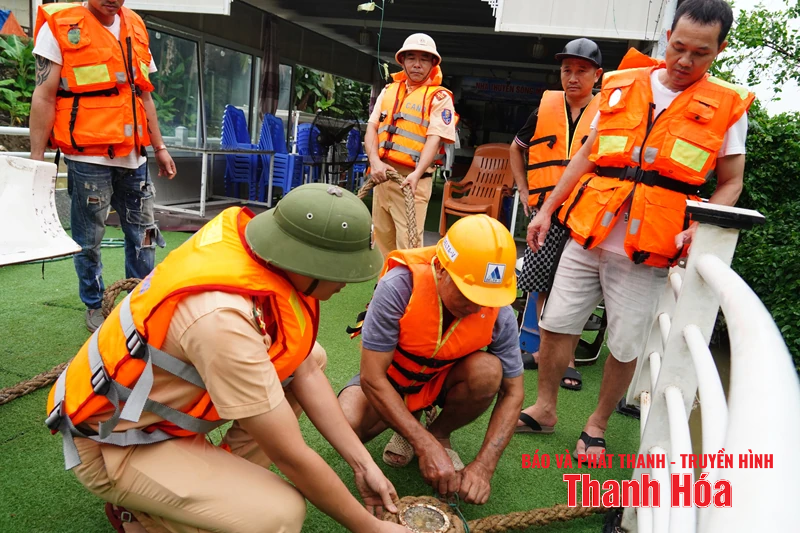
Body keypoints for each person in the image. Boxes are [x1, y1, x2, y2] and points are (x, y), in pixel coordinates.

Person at [44, 184, 410, 533]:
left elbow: (307, 370)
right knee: (280, 515)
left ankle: (212, 481)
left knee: (311, 355)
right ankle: (143, 513)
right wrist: (371, 527)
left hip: (157, 418)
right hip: (117, 443)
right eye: (343, 270)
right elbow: (291, 456)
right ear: (309, 262)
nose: (348, 281)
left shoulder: (265, 258)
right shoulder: (222, 319)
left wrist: (362, 464)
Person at [516, 0, 753, 460]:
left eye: (700, 53)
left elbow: (731, 182)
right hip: (587, 233)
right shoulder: (623, 84)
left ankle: (596, 423)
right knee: (556, 325)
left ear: (719, 50)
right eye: (679, 47)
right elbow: (586, 155)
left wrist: (701, 224)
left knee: (625, 345)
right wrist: (547, 210)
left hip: (649, 248)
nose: (685, 60)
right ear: (667, 38)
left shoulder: (728, 107)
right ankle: (545, 408)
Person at [339, 215, 524, 505]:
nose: (476, 307)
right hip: (391, 381)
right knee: (346, 426)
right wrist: (422, 445)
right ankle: (413, 427)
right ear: (440, 268)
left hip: (442, 380)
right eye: (467, 293)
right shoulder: (399, 285)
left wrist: (483, 467)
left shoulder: (499, 309)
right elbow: (372, 378)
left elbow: (514, 392)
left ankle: (439, 433)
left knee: (489, 371)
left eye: (486, 297)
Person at [30, 0, 177, 333]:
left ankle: (140, 301)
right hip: (88, 160)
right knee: (89, 240)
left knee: (145, 235)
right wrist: (37, 160)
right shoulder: (60, 27)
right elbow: (44, 95)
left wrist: (160, 147)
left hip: (135, 158)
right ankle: (95, 304)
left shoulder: (135, 26)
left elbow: (144, 95)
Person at [510, 38, 604, 391]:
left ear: (597, 75)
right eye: (567, 70)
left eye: (582, 70)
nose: (573, 77)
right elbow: (515, 150)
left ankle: (569, 358)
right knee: (540, 281)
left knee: (575, 287)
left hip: (585, 213)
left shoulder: (608, 113)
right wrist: (524, 191)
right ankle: (543, 352)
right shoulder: (544, 109)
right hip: (545, 210)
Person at [365, 33, 458, 254]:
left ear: (433, 64)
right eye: (411, 58)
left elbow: (434, 139)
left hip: (412, 182)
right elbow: (372, 128)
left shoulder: (440, 98)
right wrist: (374, 162)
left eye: (424, 59)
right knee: (379, 245)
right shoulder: (388, 91)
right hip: (382, 177)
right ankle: (383, 279)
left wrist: (416, 174)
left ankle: (407, 280)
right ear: (402, 61)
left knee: (408, 248)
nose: (417, 64)